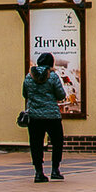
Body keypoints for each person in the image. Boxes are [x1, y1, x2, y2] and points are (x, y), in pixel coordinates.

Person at [23, 51, 67, 183]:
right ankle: (55, 170)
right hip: (52, 116)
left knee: (36, 144)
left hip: (34, 116)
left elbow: (25, 94)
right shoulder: (53, 77)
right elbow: (60, 95)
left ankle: (38, 172)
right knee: (57, 142)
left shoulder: (29, 77)